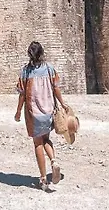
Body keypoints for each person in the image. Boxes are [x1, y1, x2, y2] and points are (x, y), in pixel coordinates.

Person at [14, 41, 68, 191]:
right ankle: (53, 160)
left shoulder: (25, 72)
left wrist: (18, 111)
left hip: (34, 113)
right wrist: (62, 104)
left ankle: (43, 179)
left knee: (38, 143)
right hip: (48, 111)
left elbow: (22, 95)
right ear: (42, 53)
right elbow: (56, 88)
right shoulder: (50, 69)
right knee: (46, 139)